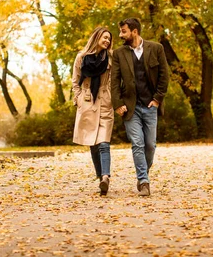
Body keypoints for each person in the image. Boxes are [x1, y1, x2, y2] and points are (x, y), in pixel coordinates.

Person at [111, 18, 169, 197]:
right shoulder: (119, 53)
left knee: (150, 145)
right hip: (130, 107)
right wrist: (118, 104)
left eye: (124, 31)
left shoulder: (156, 48)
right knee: (138, 143)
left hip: (150, 105)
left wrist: (157, 99)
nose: (121, 35)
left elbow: (164, 76)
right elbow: (114, 81)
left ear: (134, 31)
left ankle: (143, 172)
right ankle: (144, 181)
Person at [72, 26, 114, 196]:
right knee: (93, 143)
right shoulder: (81, 58)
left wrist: (113, 98)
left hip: (105, 100)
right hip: (88, 100)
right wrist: (79, 99)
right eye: (104, 37)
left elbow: (113, 81)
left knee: (104, 143)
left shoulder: (110, 59)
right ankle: (100, 177)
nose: (107, 41)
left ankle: (105, 177)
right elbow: (75, 81)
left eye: (109, 39)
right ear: (96, 37)